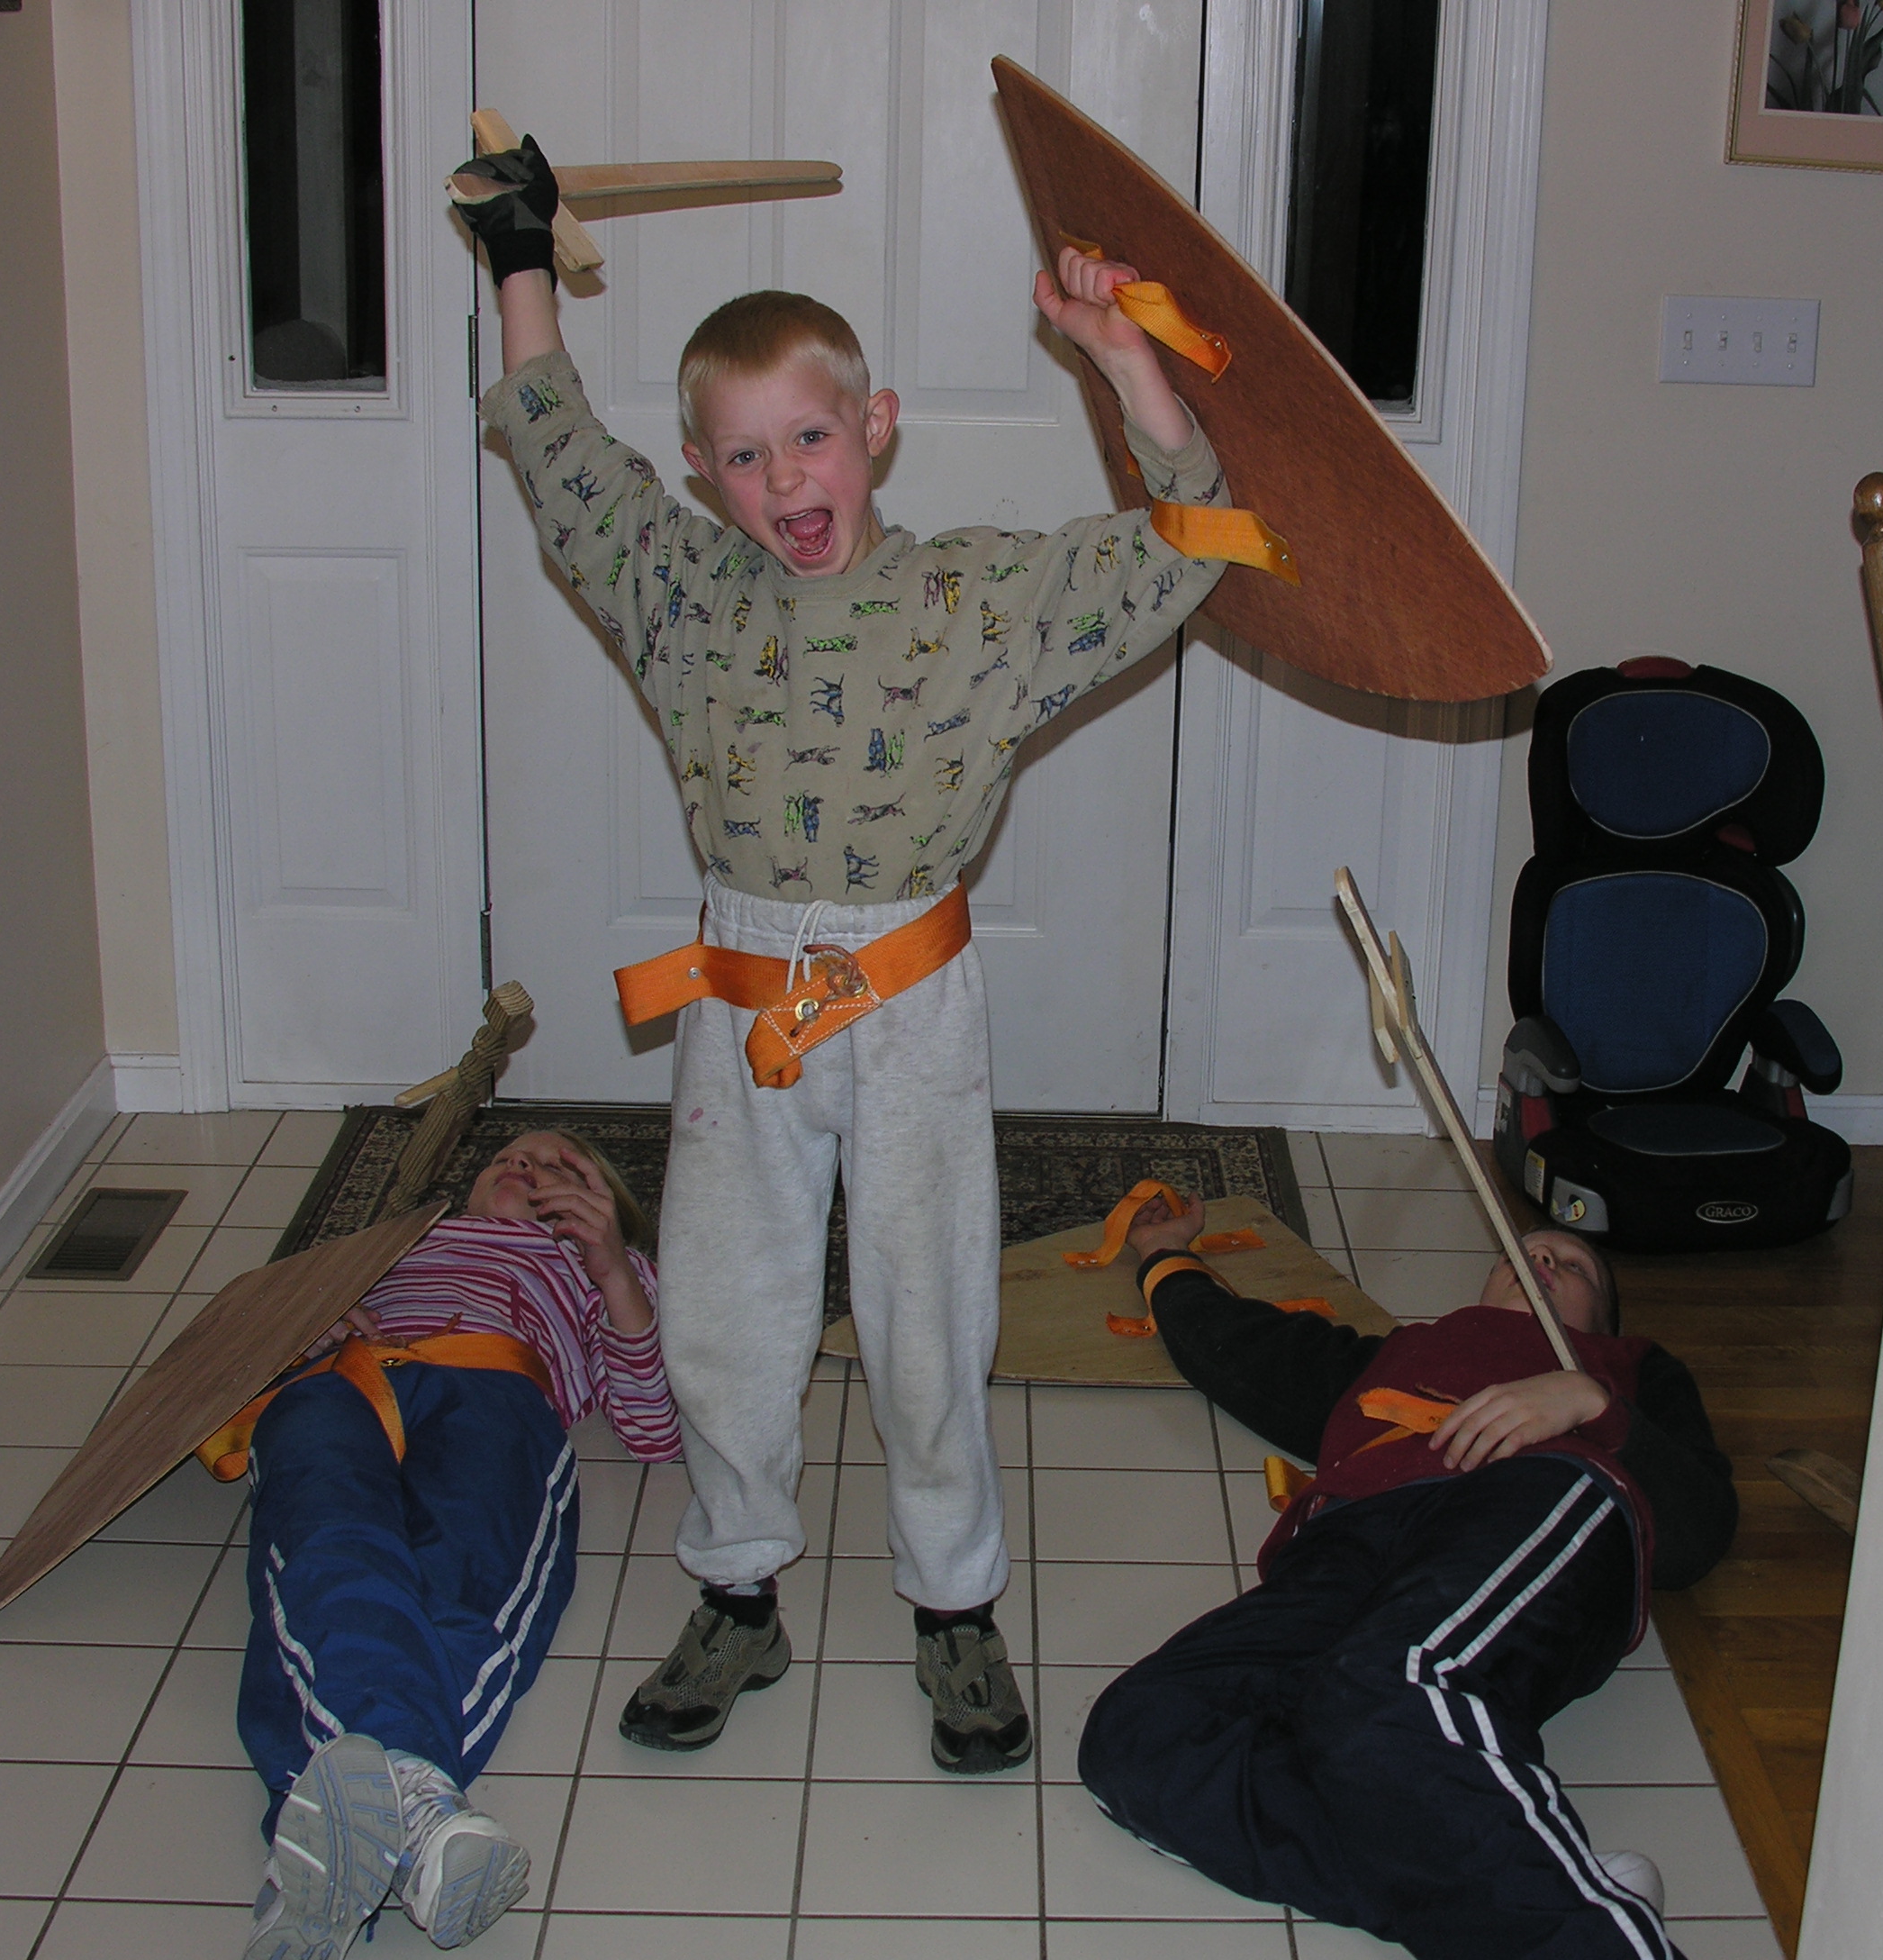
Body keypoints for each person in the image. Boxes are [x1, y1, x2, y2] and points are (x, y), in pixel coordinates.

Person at [449, 137, 1240, 1774]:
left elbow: (1187, 542)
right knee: (723, 1311)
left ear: (875, 429)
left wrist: (1121, 357)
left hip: (911, 1000)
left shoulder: (973, 600)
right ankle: (736, 1589)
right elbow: (557, 451)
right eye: (741, 456)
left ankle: (954, 1605)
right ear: (700, 472)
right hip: (743, 1003)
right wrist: (519, 255)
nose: (783, 480)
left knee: (926, 1314)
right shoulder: (681, 591)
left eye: (809, 438)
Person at [1076, 1193, 1738, 1960]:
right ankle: (1540, 1892)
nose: (1541, 1260)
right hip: (1343, 1539)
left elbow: (1699, 1532)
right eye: (1522, 1253)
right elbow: (1236, 1347)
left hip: (1528, 1495)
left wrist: (1592, 1402)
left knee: (1385, 1691)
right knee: (1139, 1735)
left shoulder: (1629, 1369)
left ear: (1605, 1321)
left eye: (1573, 1265)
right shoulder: (1400, 1354)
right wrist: (1163, 1253)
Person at [233, 1130, 680, 1960]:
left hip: (494, 1390)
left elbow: (655, 1430)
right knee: (327, 1538)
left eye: (556, 1166)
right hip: (344, 1379)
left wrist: (615, 1269)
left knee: (458, 1570)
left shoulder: (604, 1272)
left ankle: (325, 1848)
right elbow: (241, 1351)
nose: (523, 1165)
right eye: (507, 1156)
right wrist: (306, 1323)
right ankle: (419, 1814)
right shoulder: (394, 1247)